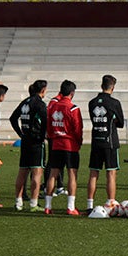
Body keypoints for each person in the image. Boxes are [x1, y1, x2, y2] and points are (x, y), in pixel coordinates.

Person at [86, 74, 125, 213]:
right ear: (112, 87)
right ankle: (111, 204)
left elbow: (93, 119)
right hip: (110, 142)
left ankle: (90, 205)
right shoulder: (114, 103)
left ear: (101, 85)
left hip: (96, 140)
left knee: (93, 173)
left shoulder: (92, 102)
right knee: (111, 173)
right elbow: (121, 122)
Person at [44, 80, 83, 215]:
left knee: (53, 174)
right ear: (72, 93)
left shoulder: (53, 106)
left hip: (56, 144)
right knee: (72, 174)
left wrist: (53, 137)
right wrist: (79, 142)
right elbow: (78, 129)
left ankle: (48, 206)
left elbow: (49, 126)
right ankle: (70, 207)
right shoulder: (73, 108)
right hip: (70, 145)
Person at [9, 79, 47, 212]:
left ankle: (18, 202)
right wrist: (43, 136)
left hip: (25, 142)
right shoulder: (40, 104)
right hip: (36, 141)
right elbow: (45, 121)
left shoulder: (25, 102)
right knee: (37, 173)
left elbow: (13, 118)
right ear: (43, 90)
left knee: (22, 171)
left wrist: (21, 133)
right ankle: (33, 203)